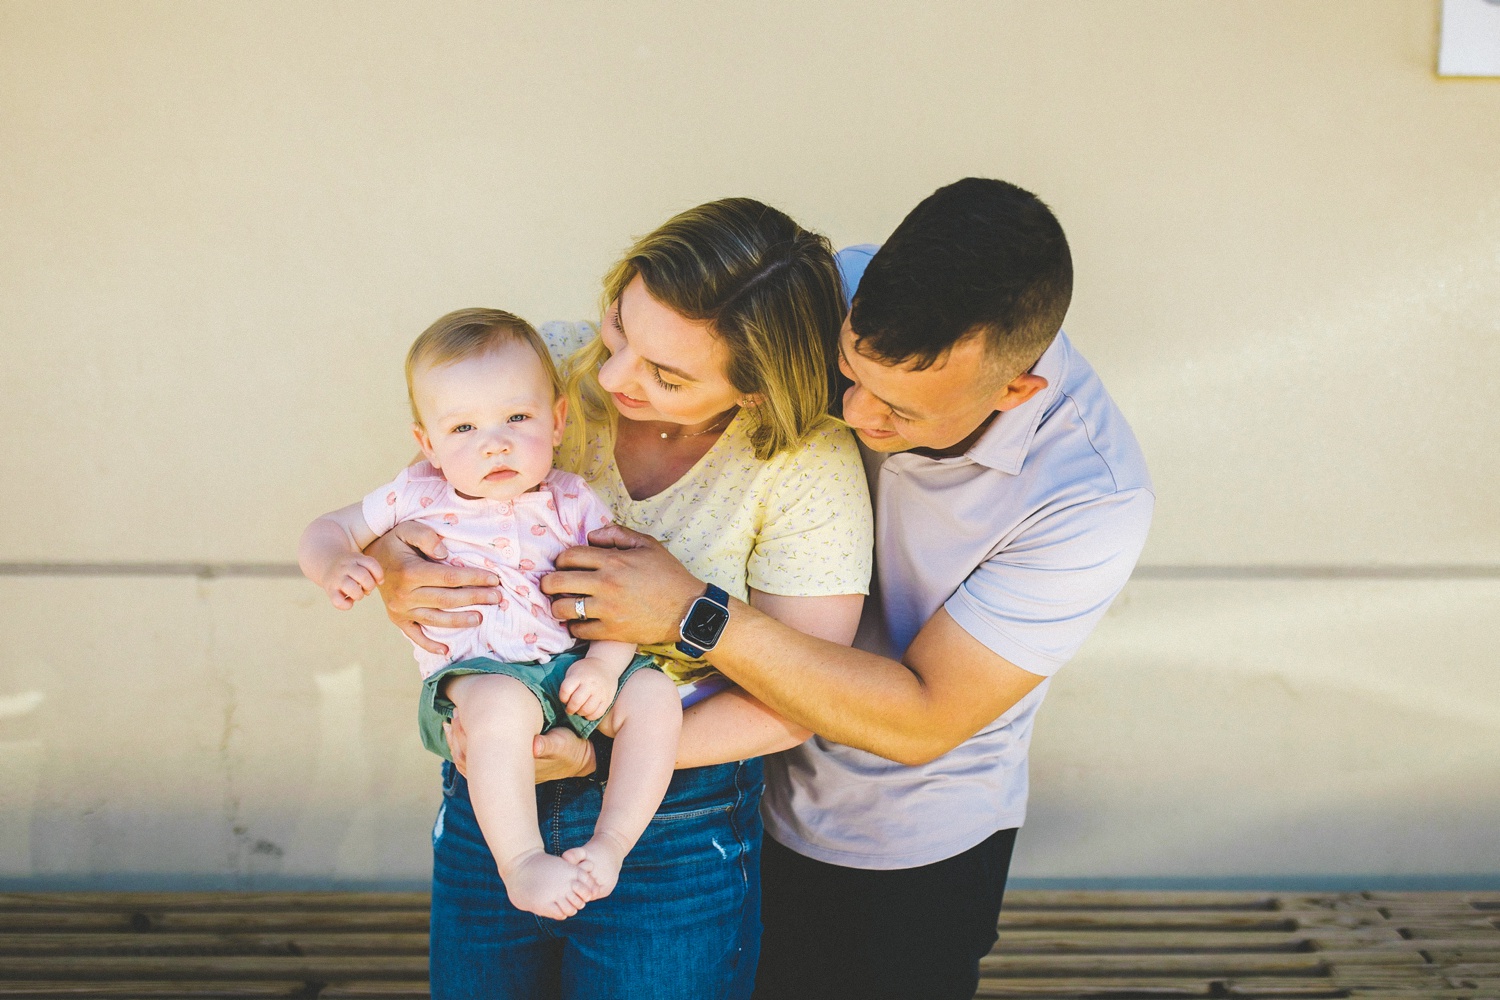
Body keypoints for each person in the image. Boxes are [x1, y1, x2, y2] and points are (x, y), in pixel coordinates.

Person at [539, 178, 1156, 999]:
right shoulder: (824, 295)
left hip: (893, 842)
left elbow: (923, 718)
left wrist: (689, 614)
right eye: (847, 373)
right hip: (711, 785)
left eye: (900, 410)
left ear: (1016, 389)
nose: (854, 415)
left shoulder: (1089, 500)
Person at [368, 200, 873, 999]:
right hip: (496, 782)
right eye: (620, 327)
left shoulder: (805, 463)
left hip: (676, 811)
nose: (610, 377)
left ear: (752, 393)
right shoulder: (551, 363)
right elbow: (429, 496)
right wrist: (395, 565)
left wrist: (603, 747)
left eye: (664, 375)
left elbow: (797, 700)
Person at [298, 310, 681, 921]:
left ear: (557, 422)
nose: (494, 442)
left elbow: (620, 593)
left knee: (657, 697)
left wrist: (608, 666)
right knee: (502, 709)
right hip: (482, 677)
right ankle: (522, 863)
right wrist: (335, 565)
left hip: (573, 669)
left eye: (517, 418)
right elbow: (326, 530)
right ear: (429, 444)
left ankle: (609, 847)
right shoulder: (418, 493)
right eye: (464, 428)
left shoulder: (573, 499)